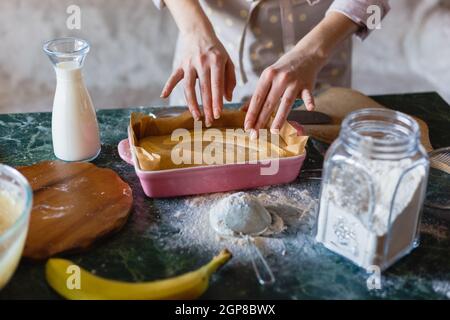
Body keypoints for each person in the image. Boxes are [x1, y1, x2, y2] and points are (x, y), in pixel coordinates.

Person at [154, 0, 390, 137]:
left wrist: (311, 53)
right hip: (209, 55)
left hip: (322, 56)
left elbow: (376, 7)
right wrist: (194, 31)